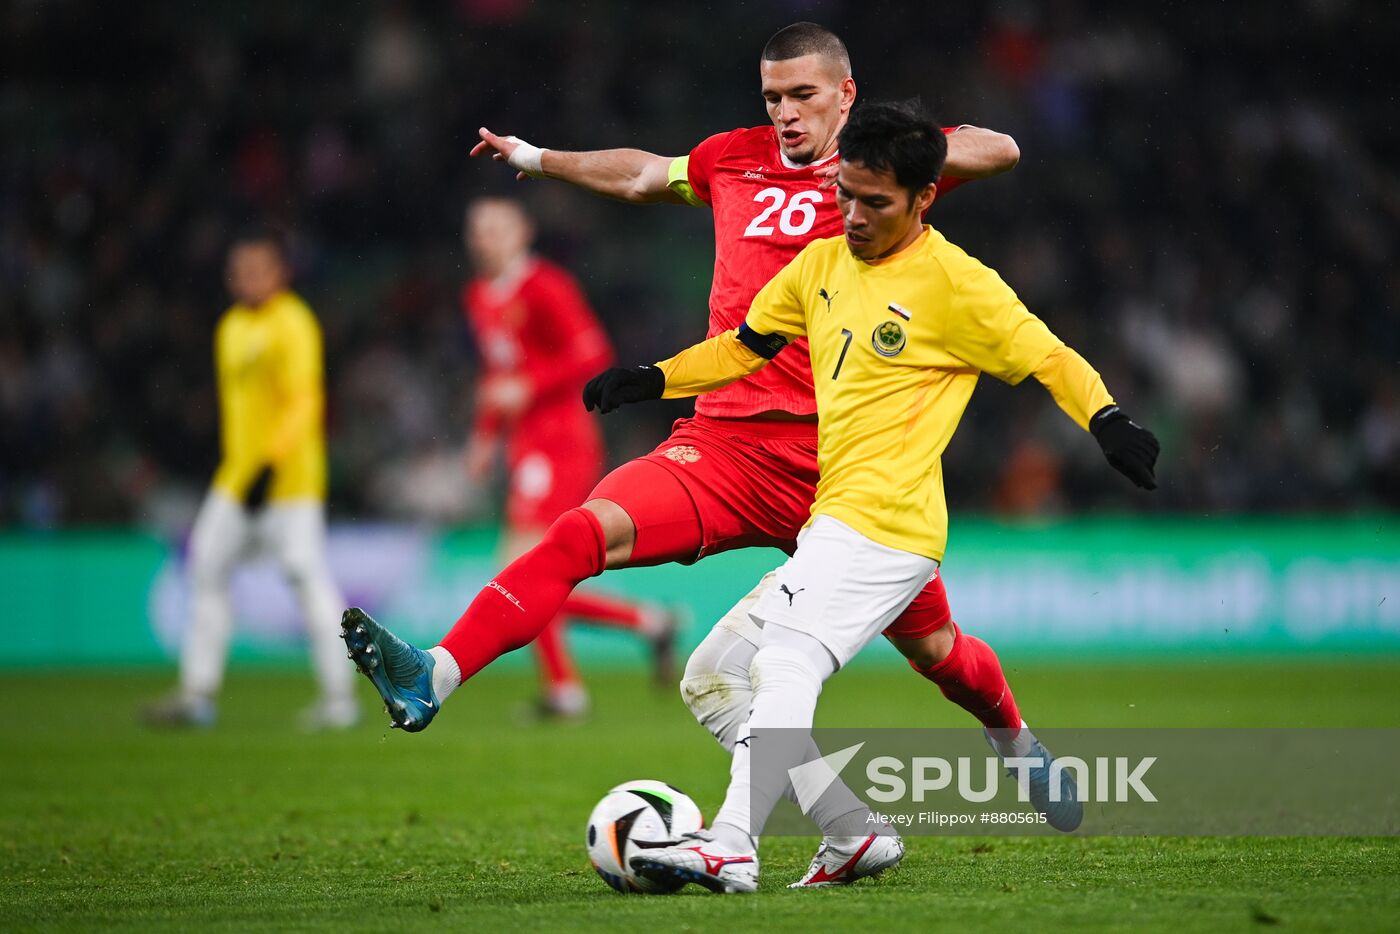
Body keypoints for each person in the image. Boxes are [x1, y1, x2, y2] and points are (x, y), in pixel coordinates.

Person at [343, 22, 1023, 885]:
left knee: (938, 656)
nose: (784, 113)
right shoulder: (730, 160)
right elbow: (638, 173)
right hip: (726, 447)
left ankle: (1015, 740)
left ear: (844, 95)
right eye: (772, 97)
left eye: (803, 95)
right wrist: (538, 156)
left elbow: (998, 150)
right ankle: (433, 675)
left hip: (851, 475)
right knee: (582, 531)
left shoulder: (878, 174)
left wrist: (903, 144)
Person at [586, 99, 1159, 893]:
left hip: (887, 527)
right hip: (836, 520)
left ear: (924, 197)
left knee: (785, 658)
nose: (852, 216)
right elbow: (743, 348)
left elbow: (1049, 357)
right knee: (714, 677)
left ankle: (731, 843)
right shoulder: (822, 265)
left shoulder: (958, 285)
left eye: (875, 203)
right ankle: (853, 835)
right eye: (845, 195)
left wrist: (1109, 420)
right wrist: (653, 379)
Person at [460, 197, 679, 718]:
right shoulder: (479, 296)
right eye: (478, 229)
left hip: (561, 441)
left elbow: (592, 353)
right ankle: (646, 624)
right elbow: (499, 376)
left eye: (496, 227)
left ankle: (567, 688)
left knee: (521, 569)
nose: (484, 238)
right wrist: (485, 435)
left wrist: (529, 389)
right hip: (526, 445)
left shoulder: (545, 287)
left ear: (522, 232)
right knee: (527, 570)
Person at [144, 228, 357, 730]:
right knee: (204, 570)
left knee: (306, 578)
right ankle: (197, 694)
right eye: (239, 270)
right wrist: (243, 467)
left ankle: (339, 698)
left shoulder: (293, 322)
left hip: (290, 483)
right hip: (236, 481)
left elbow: (305, 401)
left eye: (259, 268)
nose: (248, 278)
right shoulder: (232, 327)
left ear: (281, 273)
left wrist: (271, 462)